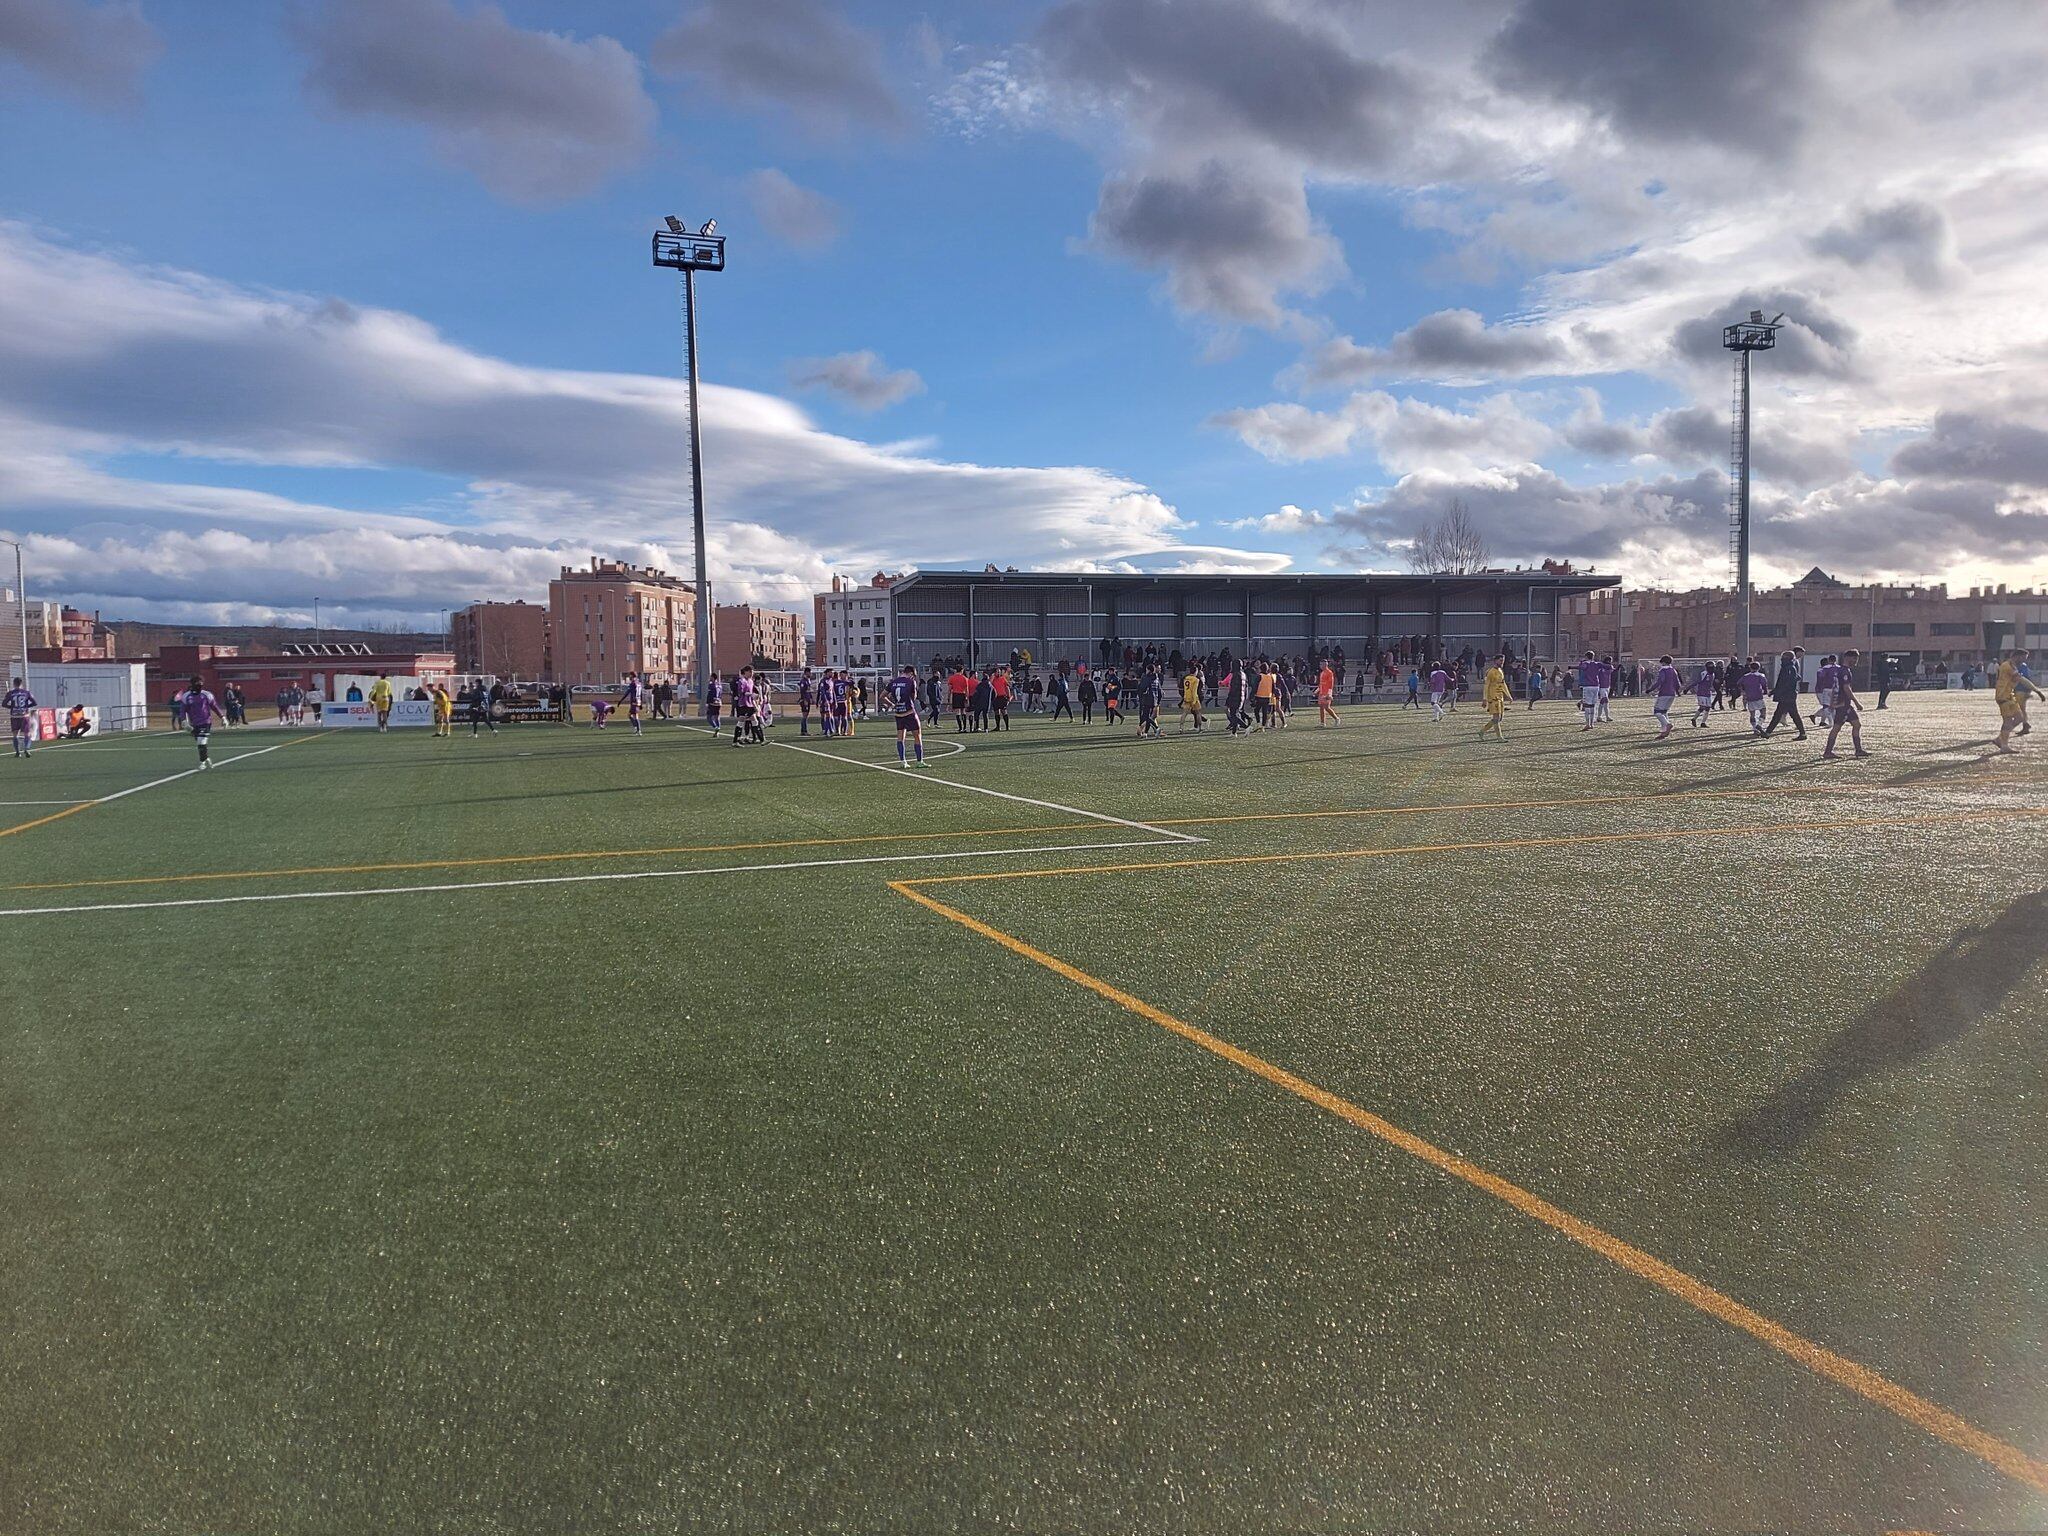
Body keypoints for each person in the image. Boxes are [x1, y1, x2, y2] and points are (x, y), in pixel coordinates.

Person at [1822, 649, 1870, 759]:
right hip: (1843, 704)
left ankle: (1858, 750)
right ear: (1848, 657)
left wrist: (1831, 702)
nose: (1856, 661)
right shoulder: (1845, 671)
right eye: (1854, 658)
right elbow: (1846, 688)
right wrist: (1857, 702)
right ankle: (1828, 752)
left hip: (1844, 704)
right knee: (1837, 727)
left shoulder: (1839, 670)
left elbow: (1835, 687)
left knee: (1856, 725)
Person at [1994, 649, 2042, 752]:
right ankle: (2004, 746)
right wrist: (2037, 691)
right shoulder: (2008, 666)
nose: (2024, 661)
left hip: (2009, 696)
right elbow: (2021, 680)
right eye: (2024, 658)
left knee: (2020, 718)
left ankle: (2000, 739)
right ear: (2018, 656)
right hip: (2003, 696)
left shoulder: (2011, 665)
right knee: (2007, 721)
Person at [177, 675, 223, 767]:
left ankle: (202, 762)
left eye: (201, 684)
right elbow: (183, 710)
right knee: (200, 742)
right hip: (194, 723)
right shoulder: (186, 696)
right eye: (197, 684)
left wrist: (222, 717)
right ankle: (206, 757)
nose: (199, 686)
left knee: (201, 741)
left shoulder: (207, 694)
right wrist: (183, 721)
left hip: (206, 721)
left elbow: (214, 706)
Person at [886, 664, 925, 766]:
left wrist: (892, 704)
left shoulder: (893, 682)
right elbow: (914, 697)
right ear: (911, 674)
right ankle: (919, 761)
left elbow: (882, 695)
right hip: (909, 712)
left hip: (898, 713)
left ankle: (903, 761)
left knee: (900, 737)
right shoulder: (911, 681)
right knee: (917, 735)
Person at [1763, 649, 1807, 739]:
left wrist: (1776, 691)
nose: (1782, 658)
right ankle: (1802, 733)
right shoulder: (1789, 667)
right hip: (1788, 694)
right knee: (1790, 714)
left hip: (1787, 695)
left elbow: (1785, 682)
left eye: (1783, 657)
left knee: (1781, 714)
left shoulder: (1788, 668)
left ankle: (1768, 732)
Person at [1650, 654, 1682, 739]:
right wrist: (1678, 692)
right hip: (1672, 694)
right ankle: (1664, 732)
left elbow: (1661, 680)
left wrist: (1651, 689)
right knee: (1664, 712)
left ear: (1663, 662)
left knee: (1657, 712)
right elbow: (1677, 683)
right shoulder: (1673, 670)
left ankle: (1667, 725)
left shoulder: (1663, 670)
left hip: (1664, 693)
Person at [1479, 655, 1508, 741]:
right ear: (1495, 661)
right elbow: (1486, 685)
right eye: (1500, 660)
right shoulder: (1490, 672)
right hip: (1493, 697)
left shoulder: (1500, 671)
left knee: (1500, 718)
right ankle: (1499, 737)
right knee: (1496, 718)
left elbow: (1503, 684)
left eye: (1503, 661)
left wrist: (1508, 695)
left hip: (1500, 697)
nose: (1502, 662)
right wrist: (1485, 699)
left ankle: (1482, 731)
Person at [5, 677, 34, 758]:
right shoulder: (26, 692)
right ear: (21, 684)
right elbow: (34, 703)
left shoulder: (10, 693)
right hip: (24, 716)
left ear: (14, 684)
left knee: (15, 734)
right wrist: (26, 706)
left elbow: (4, 704)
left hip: (14, 716)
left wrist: (12, 707)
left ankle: (18, 752)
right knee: (27, 733)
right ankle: (26, 749)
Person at [1739, 659, 1770, 736]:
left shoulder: (1745, 676)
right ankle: (1759, 725)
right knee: (1763, 711)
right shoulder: (1760, 675)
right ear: (1759, 668)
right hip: (1758, 695)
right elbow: (1764, 684)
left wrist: (1743, 691)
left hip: (1749, 696)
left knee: (1752, 714)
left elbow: (1739, 683)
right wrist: (1766, 691)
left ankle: (1754, 729)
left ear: (1750, 667)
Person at [619, 671, 646, 737]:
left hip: (634, 701)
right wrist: (641, 703)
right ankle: (636, 728)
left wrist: (621, 700)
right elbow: (641, 693)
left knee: (635, 716)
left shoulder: (633, 683)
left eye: (630, 676)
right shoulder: (639, 683)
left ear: (632, 676)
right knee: (630, 715)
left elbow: (627, 692)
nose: (629, 677)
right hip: (638, 701)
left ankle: (638, 730)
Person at [1179, 666, 1206, 732]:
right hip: (1194, 698)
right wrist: (1194, 700)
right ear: (1195, 671)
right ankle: (1199, 728)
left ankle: (1181, 727)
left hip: (1186, 697)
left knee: (1184, 713)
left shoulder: (1186, 678)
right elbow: (1194, 690)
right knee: (1198, 713)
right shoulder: (1196, 679)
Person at [798, 669, 816, 737]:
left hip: (808, 699)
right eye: (810, 673)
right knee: (804, 715)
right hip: (805, 700)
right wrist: (804, 699)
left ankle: (804, 730)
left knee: (806, 715)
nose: (810, 674)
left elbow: (809, 691)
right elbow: (802, 691)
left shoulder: (808, 681)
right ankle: (804, 731)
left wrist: (811, 698)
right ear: (806, 673)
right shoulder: (803, 681)